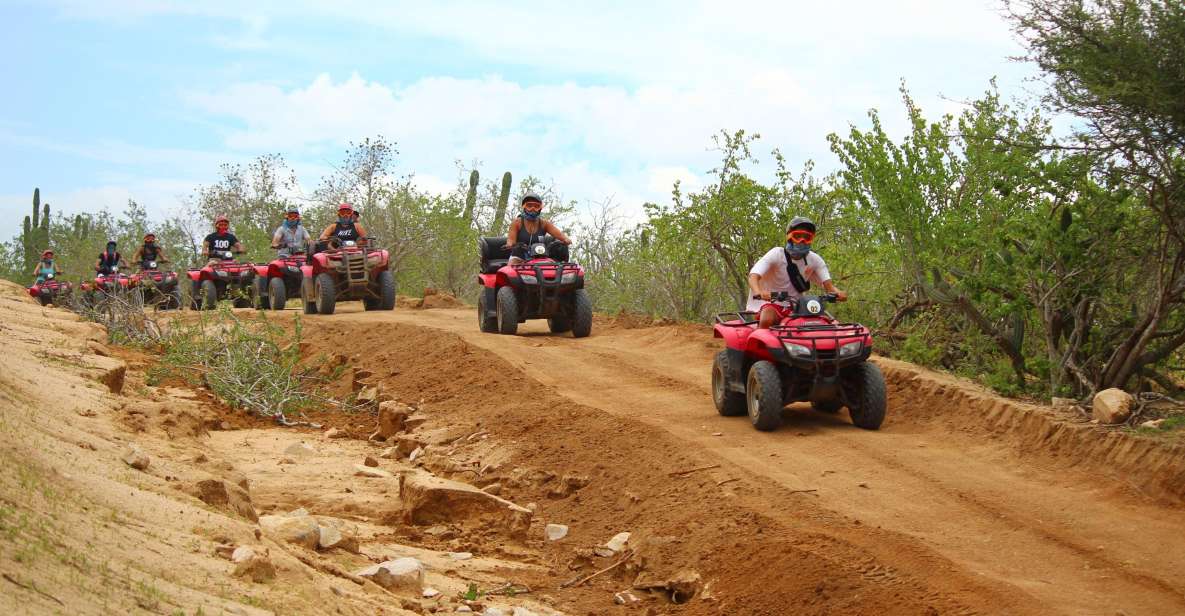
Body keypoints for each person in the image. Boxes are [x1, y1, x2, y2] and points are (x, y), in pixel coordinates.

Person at [748, 216, 847, 328]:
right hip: (770, 303)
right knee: (767, 318)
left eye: (807, 237)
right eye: (797, 236)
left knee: (826, 323)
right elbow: (753, 276)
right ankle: (759, 342)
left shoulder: (815, 260)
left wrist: (840, 293)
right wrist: (758, 292)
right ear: (789, 237)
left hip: (797, 306)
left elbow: (830, 288)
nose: (802, 241)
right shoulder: (776, 254)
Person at [504, 192, 571, 263]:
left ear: (540, 208)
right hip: (518, 257)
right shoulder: (517, 222)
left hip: (539, 257)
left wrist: (566, 239)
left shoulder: (544, 223)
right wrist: (509, 244)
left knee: (553, 269)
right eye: (529, 206)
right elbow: (510, 240)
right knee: (511, 270)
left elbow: (559, 235)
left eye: (536, 206)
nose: (533, 209)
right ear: (524, 207)